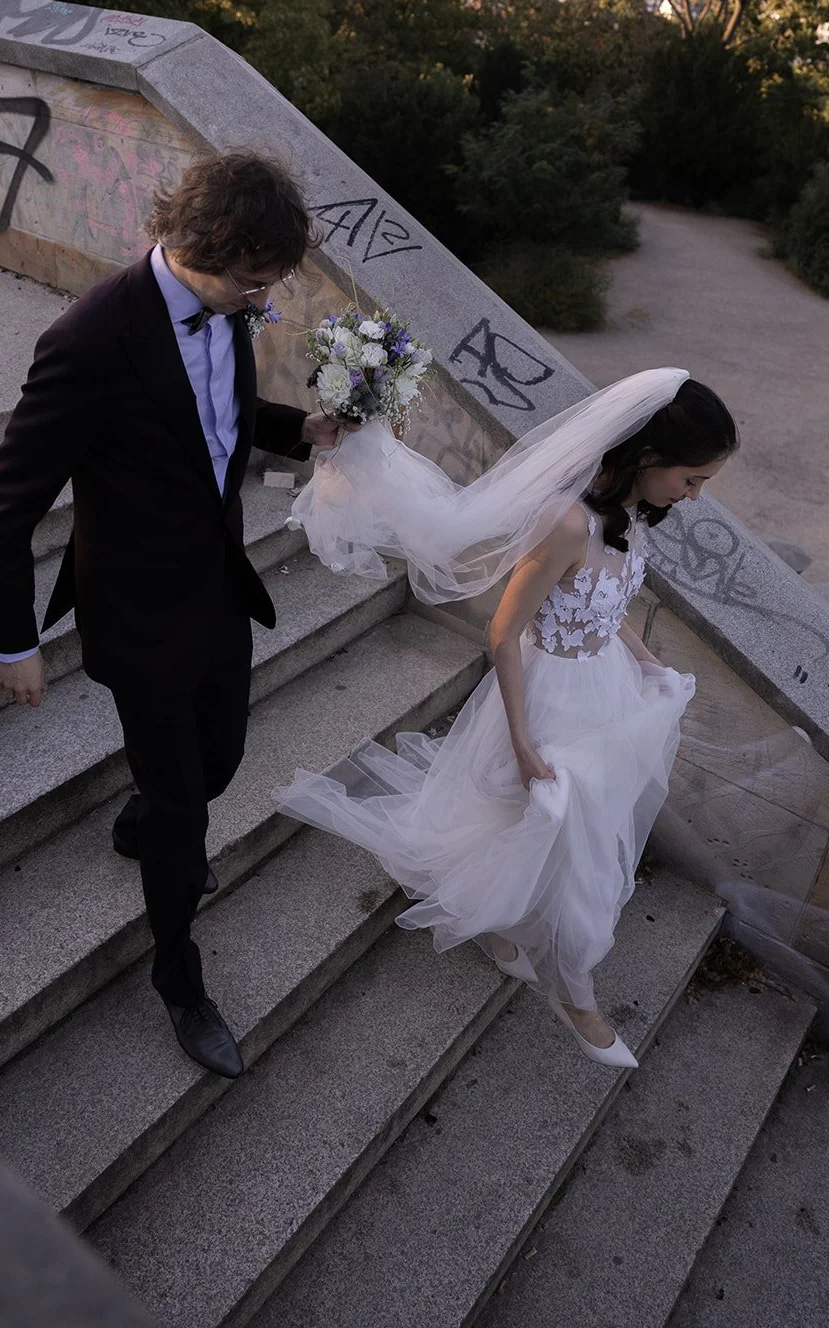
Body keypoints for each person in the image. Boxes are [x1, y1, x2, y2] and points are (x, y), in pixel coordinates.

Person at [0, 152, 347, 1078]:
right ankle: (180, 982)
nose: (261, 303)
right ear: (195, 247)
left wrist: (291, 428)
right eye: (253, 286)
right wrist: (13, 638)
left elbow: (207, 412)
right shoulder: (88, 340)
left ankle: (149, 821)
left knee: (217, 761)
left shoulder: (221, 305)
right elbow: (8, 500)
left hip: (216, 586)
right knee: (187, 812)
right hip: (135, 609)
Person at [277, 372, 738, 1068]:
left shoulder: (630, 515)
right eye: (692, 477)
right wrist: (522, 740)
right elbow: (503, 632)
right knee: (562, 836)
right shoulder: (564, 522)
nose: (695, 495)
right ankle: (576, 994)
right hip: (547, 696)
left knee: (569, 833)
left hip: (605, 693)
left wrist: (648, 665)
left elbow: (605, 615)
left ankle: (503, 923)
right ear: (647, 457)